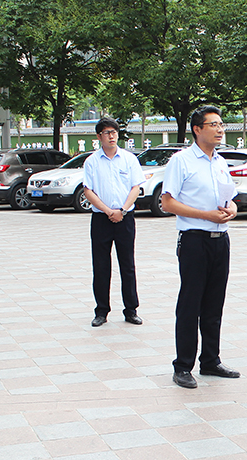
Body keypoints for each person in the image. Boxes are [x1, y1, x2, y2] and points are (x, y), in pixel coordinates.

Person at [161, 106, 241, 388]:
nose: (220, 130)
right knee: (190, 303)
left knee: (214, 303)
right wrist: (205, 215)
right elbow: (167, 202)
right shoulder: (181, 161)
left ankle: (210, 360)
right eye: (213, 125)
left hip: (221, 240)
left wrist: (231, 209)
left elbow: (231, 197)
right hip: (194, 240)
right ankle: (183, 365)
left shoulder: (220, 162)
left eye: (221, 124)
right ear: (197, 129)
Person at [83, 118, 145, 328]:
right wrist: (108, 211)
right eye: (107, 132)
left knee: (127, 265)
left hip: (125, 218)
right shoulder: (92, 161)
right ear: (99, 136)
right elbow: (88, 190)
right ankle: (101, 311)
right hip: (101, 218)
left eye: (114, 132)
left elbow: (135, 187)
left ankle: (131, 310)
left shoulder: (129, 159)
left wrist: (122, 210)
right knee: (101, 266)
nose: (111, 136)